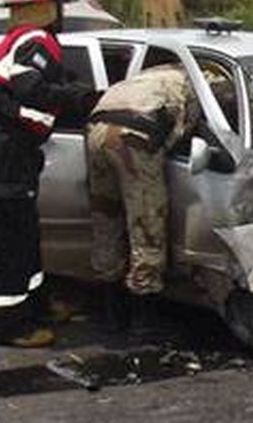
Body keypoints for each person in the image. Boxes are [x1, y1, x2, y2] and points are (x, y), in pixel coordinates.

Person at [0, 0, 98, 347]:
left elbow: (41, 83)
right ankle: (7, 325)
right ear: (46, 8)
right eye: (57, 5)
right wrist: (81, 100)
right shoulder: (36, 40)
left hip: (1, 144)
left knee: (24, 233)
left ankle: (35, 305)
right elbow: (31, 86)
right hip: (3, 146)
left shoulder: (18, 39)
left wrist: (75, 90)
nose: (61, 13)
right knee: (12, 239)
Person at [85, 63, 230, 338]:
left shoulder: (156, 72)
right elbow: (218, 129)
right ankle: (144, 318)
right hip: (134, 135)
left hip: (96, 127)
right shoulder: (207, 85)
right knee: (147, 224)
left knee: (106, 218)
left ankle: (111, 313)